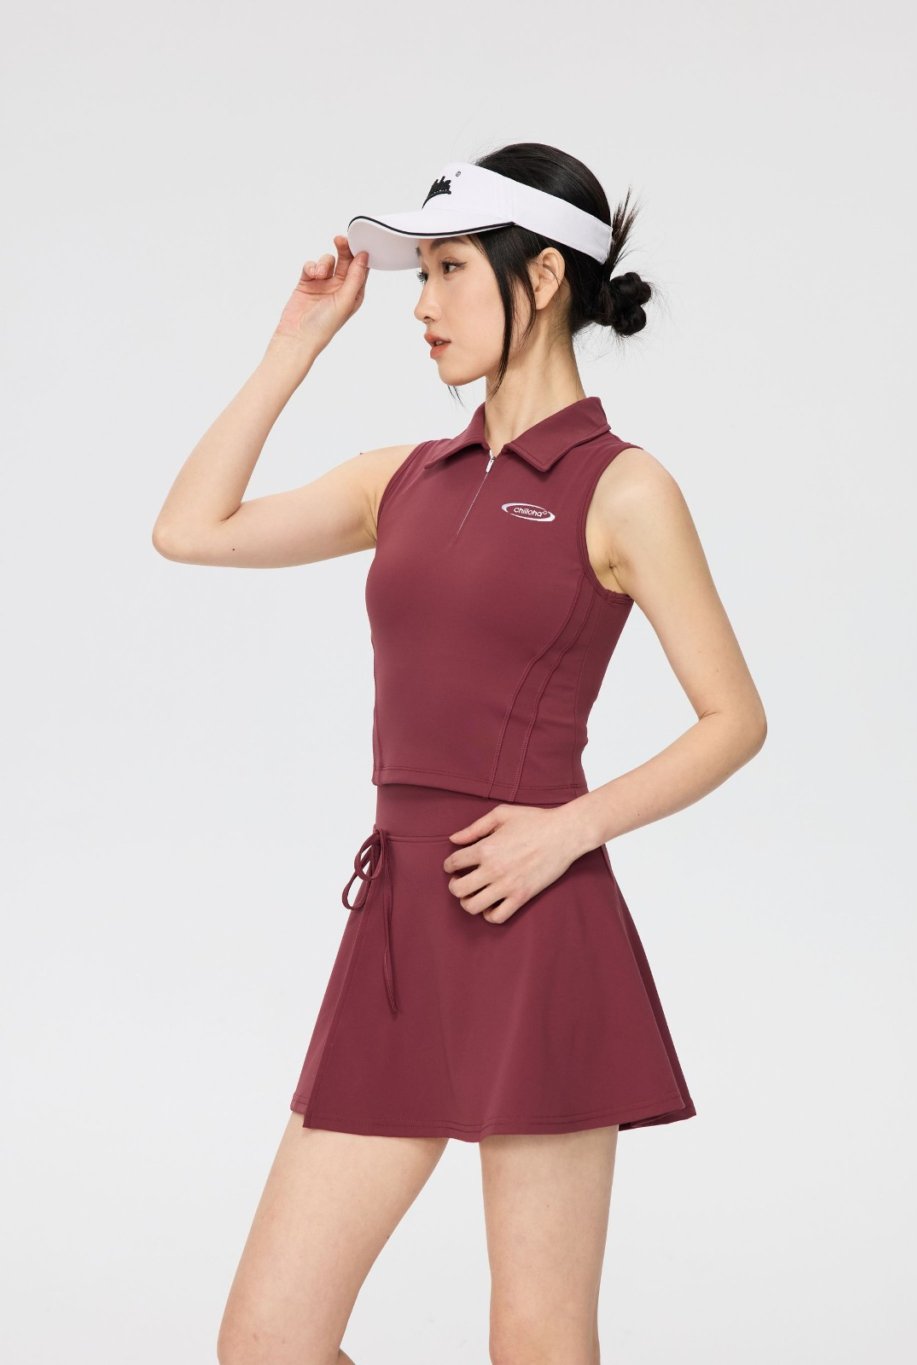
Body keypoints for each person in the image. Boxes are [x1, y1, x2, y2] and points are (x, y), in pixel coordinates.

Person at [152, 142, 767, 1365]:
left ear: (540, 279)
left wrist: (567, 829)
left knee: (535, 1343)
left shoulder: (623, 489)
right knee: (267, 1342)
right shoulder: (403, 479)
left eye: (446, 271)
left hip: (534, 919)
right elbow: (189, 529)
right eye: (420, 273)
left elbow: (732, 718)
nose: (421, 305)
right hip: (396, 929)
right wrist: (295, 344)